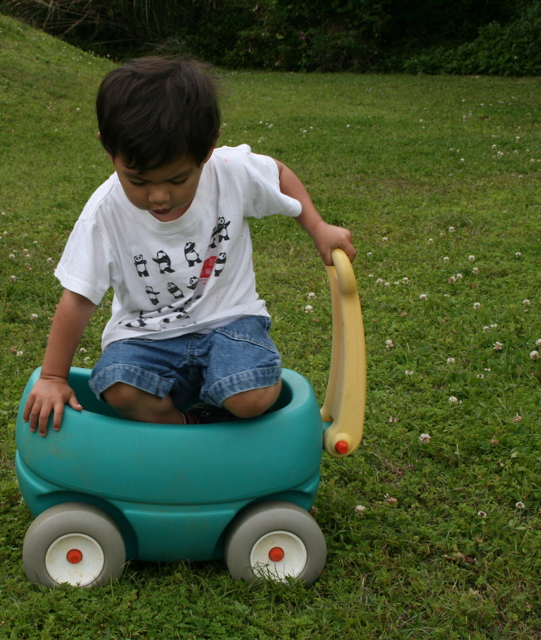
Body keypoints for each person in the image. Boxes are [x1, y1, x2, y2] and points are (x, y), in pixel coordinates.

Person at [24, 57, 356, 436]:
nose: (159, 196)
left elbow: (277, 174)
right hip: (144, 335)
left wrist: (317, 227)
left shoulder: (230, 171)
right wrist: (53, 376)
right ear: (108, 149)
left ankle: (216, 404)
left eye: (178, 179)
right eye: (138, 180)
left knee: (252, 397)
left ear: (210, 145)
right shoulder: (105, 213)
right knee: (116, 386)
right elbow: (78, 298)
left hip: (230, 321)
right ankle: (190, 426)